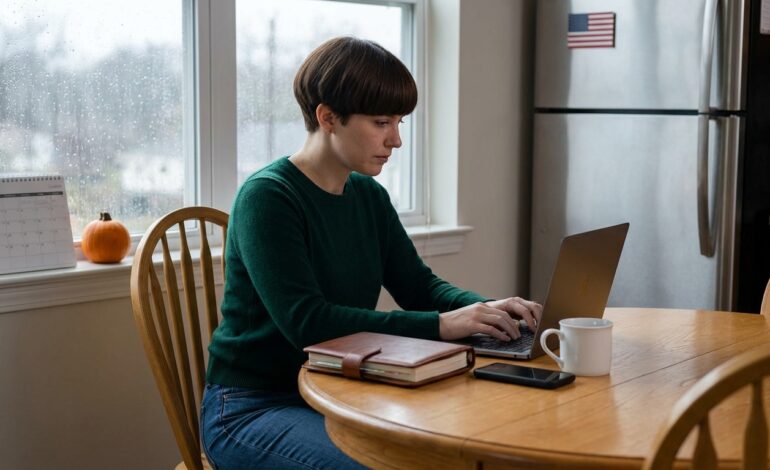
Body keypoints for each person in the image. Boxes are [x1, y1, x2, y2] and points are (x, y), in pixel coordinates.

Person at [200, 36, 542, 470]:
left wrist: (485, 309)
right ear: (328, 117)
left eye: (399, 122)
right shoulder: (267, 197)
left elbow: (418, 286)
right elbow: (310, 323)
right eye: (382, 122)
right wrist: (442, 325)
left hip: (344, 389)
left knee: (466, 447)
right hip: (251, 407)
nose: (396, 140)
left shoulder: (367, 194)